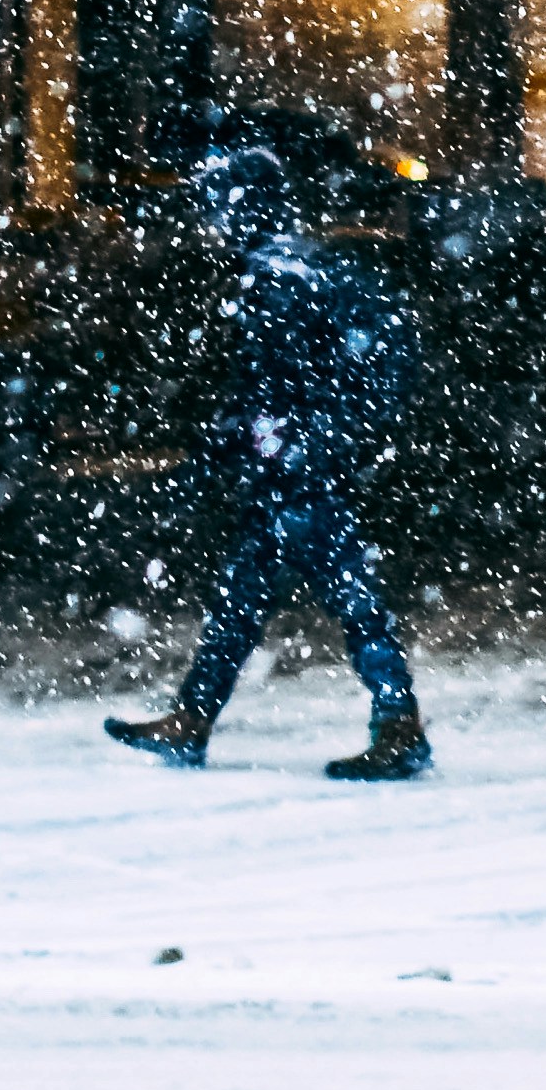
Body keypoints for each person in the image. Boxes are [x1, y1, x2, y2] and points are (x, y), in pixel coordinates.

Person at [105, 145, 432, 782]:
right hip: (297, 459)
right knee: (246, 595)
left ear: (240, 206)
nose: (210, 222)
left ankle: (398, 725)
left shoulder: (276, 275)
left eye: (216, 206)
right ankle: (192, 720)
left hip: (297, 467)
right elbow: (284, 384)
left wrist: (266, 443)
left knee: (343, 595)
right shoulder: (296, 265)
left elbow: (271, 385)